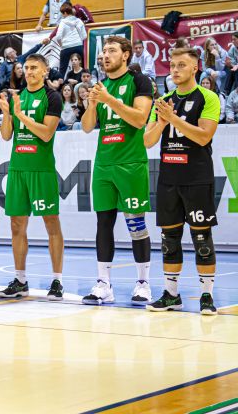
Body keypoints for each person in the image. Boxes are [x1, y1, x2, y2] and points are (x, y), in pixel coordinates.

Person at [143, 47, 220, 315]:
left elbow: (203, 136)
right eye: (173, 65)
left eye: (181, 65)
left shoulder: (208, 97)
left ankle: (206, 296)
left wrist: (173, 118)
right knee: (169, 239)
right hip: (168, 178)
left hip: (197, 177)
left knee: (202, 238)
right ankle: (171, 294)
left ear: (195, 68)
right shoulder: (164, 100)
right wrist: (162, 123)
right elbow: (147, 141)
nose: (175, 70)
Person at [80, 36, 154, 306]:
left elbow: (139, 119)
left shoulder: (139, 81)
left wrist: (109, 99)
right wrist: (92, 103)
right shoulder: (101, 86)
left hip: (130, 163)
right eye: (104, 51)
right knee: (103, 223)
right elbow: (87, 127)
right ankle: (103, 284)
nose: (105, 55)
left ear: (125, 55)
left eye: (111, 50)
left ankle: (143, 283)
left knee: (136, 224)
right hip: (104, 164)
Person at [0, 55, 65, 300]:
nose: (29, 71)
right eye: (26, 68)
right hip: (18, 169)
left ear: (45, 71)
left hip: (41, 169)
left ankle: (57, 280)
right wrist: (8, 114)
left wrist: (21, 115)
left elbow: (46, 134)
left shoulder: (52, 97)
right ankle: (20, 280)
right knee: (16, 225)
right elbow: (6, 136)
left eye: (34, 67)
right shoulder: (18, 97)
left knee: (51, 222)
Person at [43, 2, 86, 76]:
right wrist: (78, 41)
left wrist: (61, 45)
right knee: (83, 68)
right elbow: (84, 36)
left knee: (62, 71)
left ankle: (60, 82)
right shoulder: (79, 21)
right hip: (78, 46)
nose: (62, 15)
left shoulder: (62, 22)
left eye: (62, 13)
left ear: (65, 13)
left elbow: (58, 36)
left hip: (66, 47)